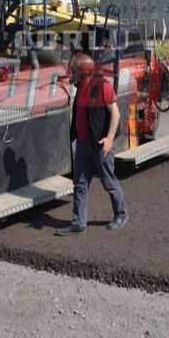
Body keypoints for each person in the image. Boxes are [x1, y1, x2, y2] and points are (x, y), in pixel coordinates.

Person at [56, 53, 127, 236]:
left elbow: (115, 113)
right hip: (82, 145)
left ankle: (120, 214)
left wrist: (110, 138)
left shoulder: (102, 86)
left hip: (100, 146)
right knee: (80, 184)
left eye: (73, 70)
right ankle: (78, 223)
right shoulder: (80, 87)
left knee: (108, 182)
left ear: (83, 71)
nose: (70, 74)